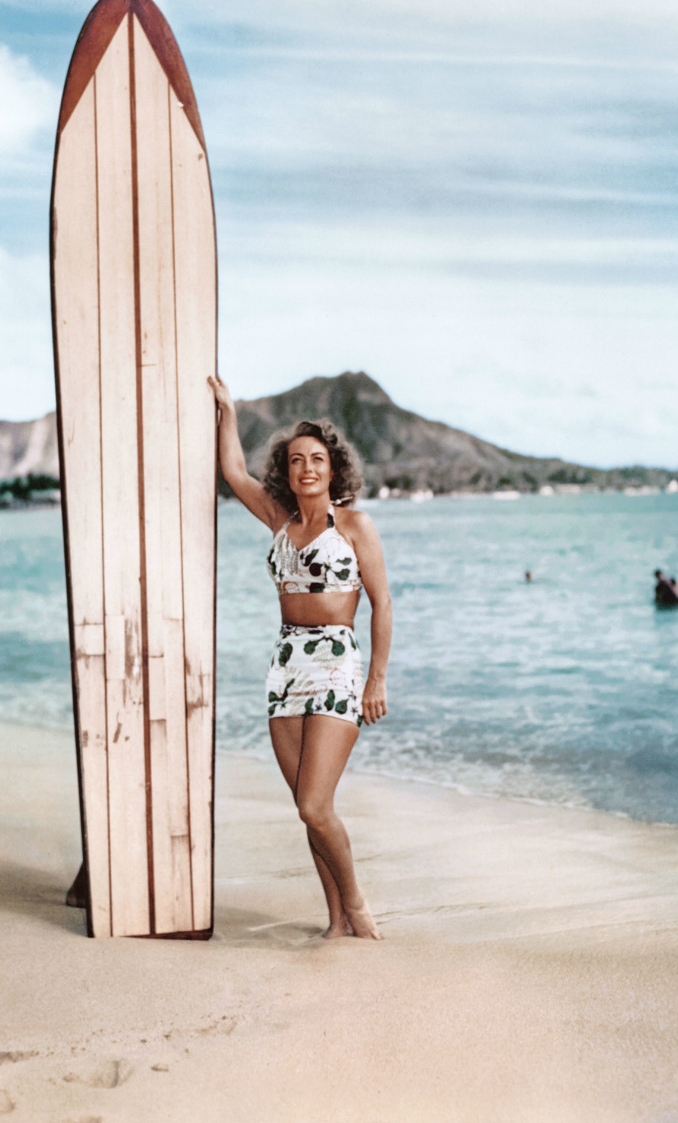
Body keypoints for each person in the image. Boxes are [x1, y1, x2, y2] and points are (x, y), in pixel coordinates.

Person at [208, 374, 392, 940]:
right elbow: (234, 474)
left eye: (316, 459)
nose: (306, 469)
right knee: (304, 807)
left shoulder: (356, 525)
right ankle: (335, 922)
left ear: (332, 468)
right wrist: (228, 414)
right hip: (286, 663)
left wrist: (376, 680)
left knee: (315, 805)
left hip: (337, 662)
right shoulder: (280, 520)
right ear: (285, 472)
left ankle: (357, 904)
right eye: (295, 462)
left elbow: (382, 603)